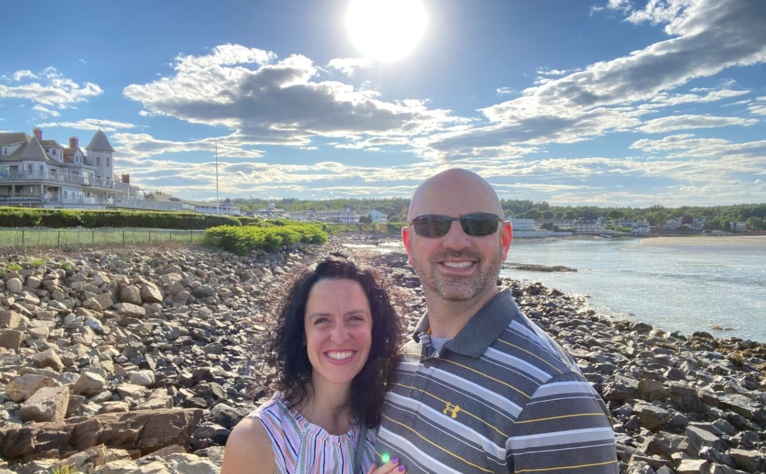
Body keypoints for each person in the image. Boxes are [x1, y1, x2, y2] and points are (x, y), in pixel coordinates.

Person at [374, 169, 619, 473]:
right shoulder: (404, 357)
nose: (456, 242)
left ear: (504, 240)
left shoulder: (555, 394)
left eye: (478, 225)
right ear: (408, 245)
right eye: (432, 225)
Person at [221, 256, 407, 474]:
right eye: (322, 320)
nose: (339, 337)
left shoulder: (388, 422)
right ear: (302, 333)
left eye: (355, 318)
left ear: (374, 327)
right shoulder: (255, 440)